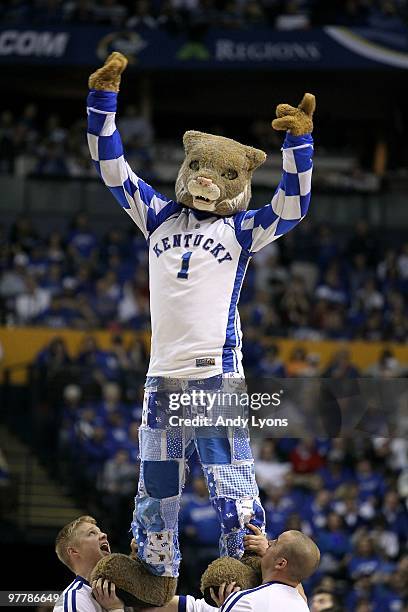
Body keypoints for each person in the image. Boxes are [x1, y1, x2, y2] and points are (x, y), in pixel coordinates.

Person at [218, 530, 320, 612]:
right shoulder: (302, 606)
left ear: (281, 563)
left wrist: (225, 607)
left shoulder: (246, 601)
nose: (268, 542)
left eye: (275, 543)